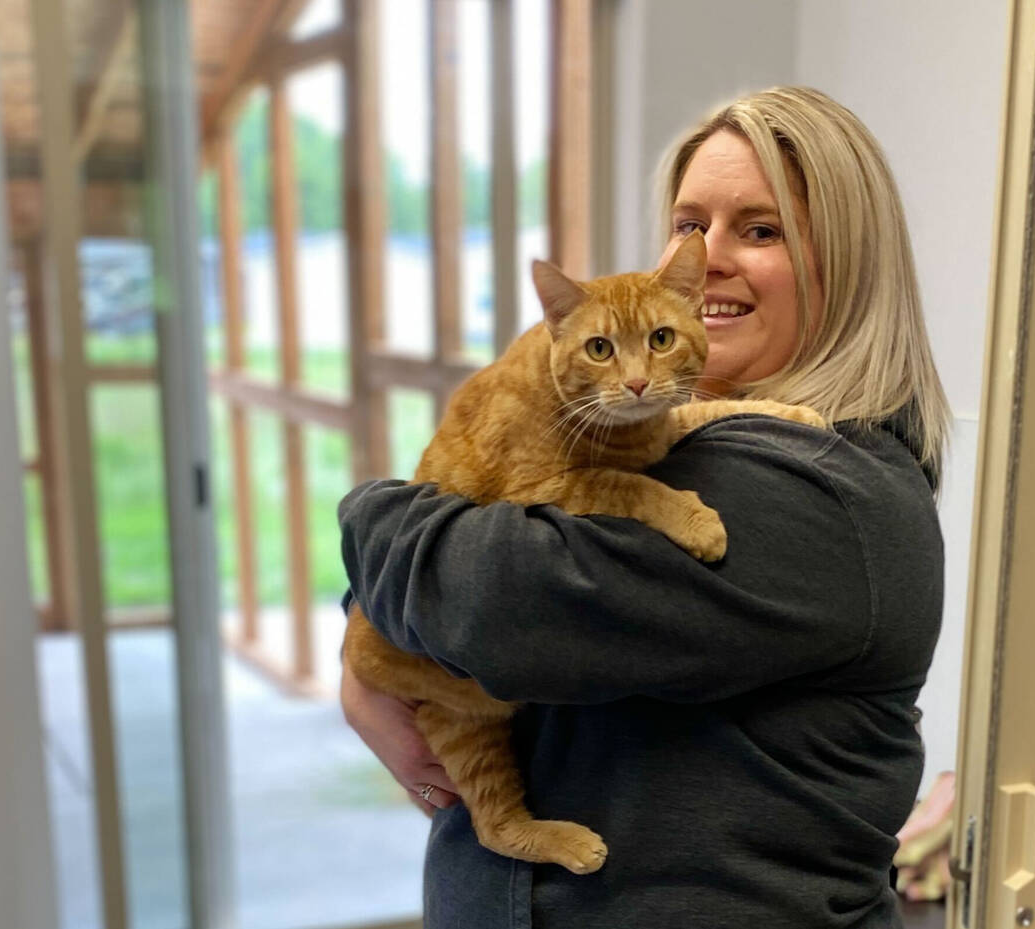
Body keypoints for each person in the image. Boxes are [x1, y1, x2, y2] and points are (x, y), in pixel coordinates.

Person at [338, 86, 949, 928]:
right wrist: (378, 611)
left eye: (760, 229)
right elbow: (464, 545)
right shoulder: (662, 427)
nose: (711, 255)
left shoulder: (820, 492)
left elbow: (491, 602)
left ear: (844, 266)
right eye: (692, 224)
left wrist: (367, 527)